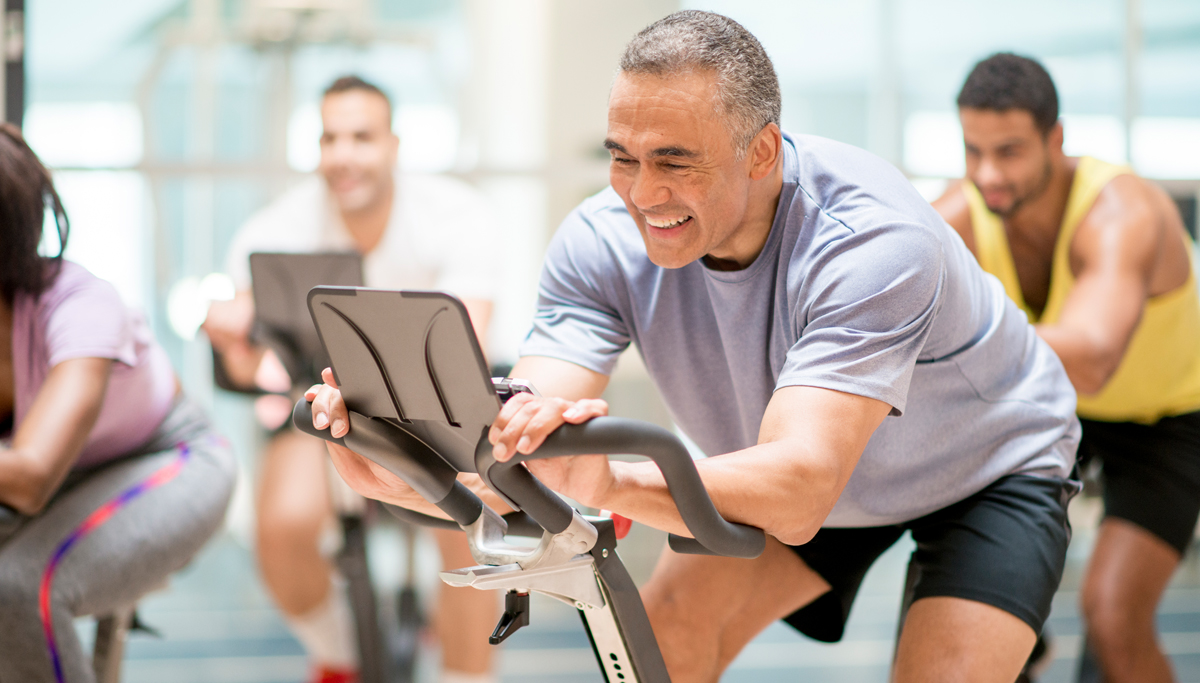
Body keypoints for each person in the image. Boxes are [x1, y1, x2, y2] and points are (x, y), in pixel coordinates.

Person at [305, 12, 1083, 682]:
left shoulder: (869, 240)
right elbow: (529, 435)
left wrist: (609, 479)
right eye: (623, 155)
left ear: (762, 152)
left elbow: (801, 488)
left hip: (984, 466)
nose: (642, 193)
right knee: (664, 640)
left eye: (675, 161)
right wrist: (413, 464)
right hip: (795, 470)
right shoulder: (601, 241)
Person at [203, 76, 502, 683]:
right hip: (324, 408)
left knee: (470, 529)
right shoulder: (271, 231)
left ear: (393, 145)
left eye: (361, 137)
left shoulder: (456, 216)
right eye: (329, 138)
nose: (343, 155)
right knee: (282, 527)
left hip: (435, 409)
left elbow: (468, 337)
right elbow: (247, 370)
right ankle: (339, 658)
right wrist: (231, 339)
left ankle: (465, 674)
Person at [932, 53, 1200, 683]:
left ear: (1056, 139)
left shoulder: (1120, 213)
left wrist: (951, 338)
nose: (988, 174)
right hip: (1051, 409)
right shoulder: (961, 213)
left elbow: (1093, 357)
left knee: (1113, 616)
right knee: (959, 598)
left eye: (1010, 151)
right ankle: (1023, 647)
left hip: (1168, 417)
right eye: (973, 151)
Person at [0, 123, 237, 682]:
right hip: (67, 476)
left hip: (171, 457)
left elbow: (30, 478)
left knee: (20, 587)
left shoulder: (81, 305)